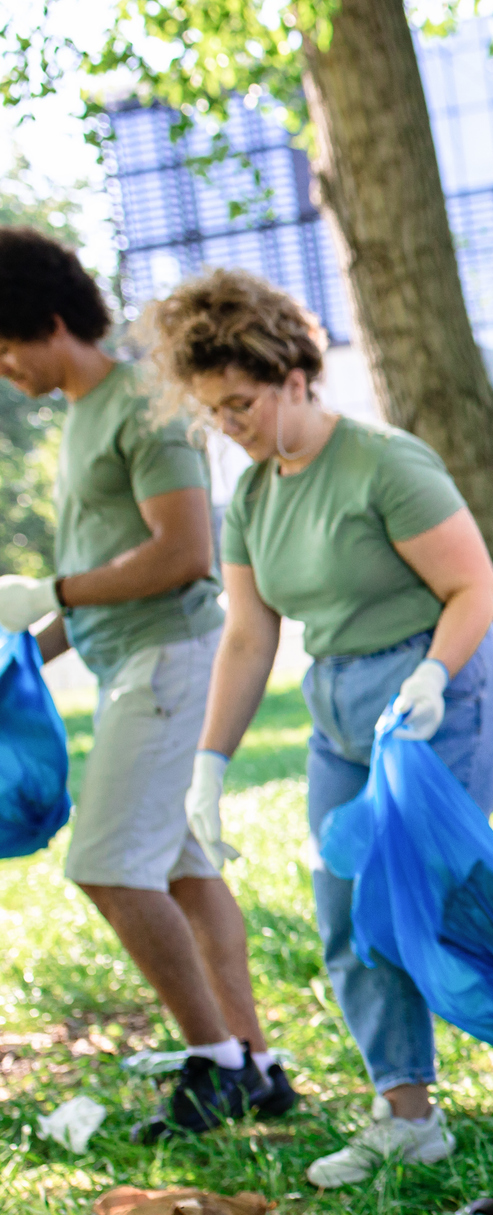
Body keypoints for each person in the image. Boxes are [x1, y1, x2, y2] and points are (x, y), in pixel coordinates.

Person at [144, 268, 493, 1188]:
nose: (229, 426)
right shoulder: (255, 495)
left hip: (439, 687)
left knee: (434, 895)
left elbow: (474, 587)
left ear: (296, 376)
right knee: (346, 912)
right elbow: (251, 638)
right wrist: (208, 763)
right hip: (341, 706)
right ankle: (406, 1113)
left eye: (242, 403)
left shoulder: (384, 462)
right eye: (213, 411)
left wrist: (430, 675)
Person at [0, 228, 295, 1142]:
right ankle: (257, 1065)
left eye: (6, 345)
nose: (3, 367)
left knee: (105, 864)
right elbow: (98, 585)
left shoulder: (143, 405)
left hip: (171, 658)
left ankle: (215, 1061)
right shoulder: (84, 415)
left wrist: (49, 592)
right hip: (132, 653)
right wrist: (32, 640)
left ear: (51, 322)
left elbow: (182, 555)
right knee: (183, 869)